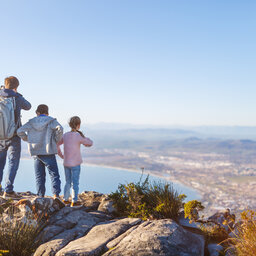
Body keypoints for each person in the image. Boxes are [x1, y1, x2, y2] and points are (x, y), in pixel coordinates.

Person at [17, 104, 63, 198]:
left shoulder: (31, 122)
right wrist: (55, 140)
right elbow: (60, 129)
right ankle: (56, 195)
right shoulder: (51, 121)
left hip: (36, 152)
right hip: (48, 152)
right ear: (47, 113)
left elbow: (19, 131)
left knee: (39, 177)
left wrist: (27, 139)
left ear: (37, 113)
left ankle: (40, 196)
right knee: (54, 175)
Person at [0, 76, 31, 199]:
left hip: (0, 136)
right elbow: (28, 106)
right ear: (16, 87)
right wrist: (18, 94)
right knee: (13, 163)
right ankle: (8, 190)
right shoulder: (17, 97)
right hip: (14, 136)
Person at [57, 116, 93, 207]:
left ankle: (65, 200)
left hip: (66, 163)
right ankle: (74, 201)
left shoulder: (65, 135)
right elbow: (90, 143)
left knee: (68, 182)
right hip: (75, 163)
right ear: (78, 125)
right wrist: (85, 138)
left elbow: (57, 145)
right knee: (75, 182)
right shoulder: (78, 136)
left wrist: (62, 156)